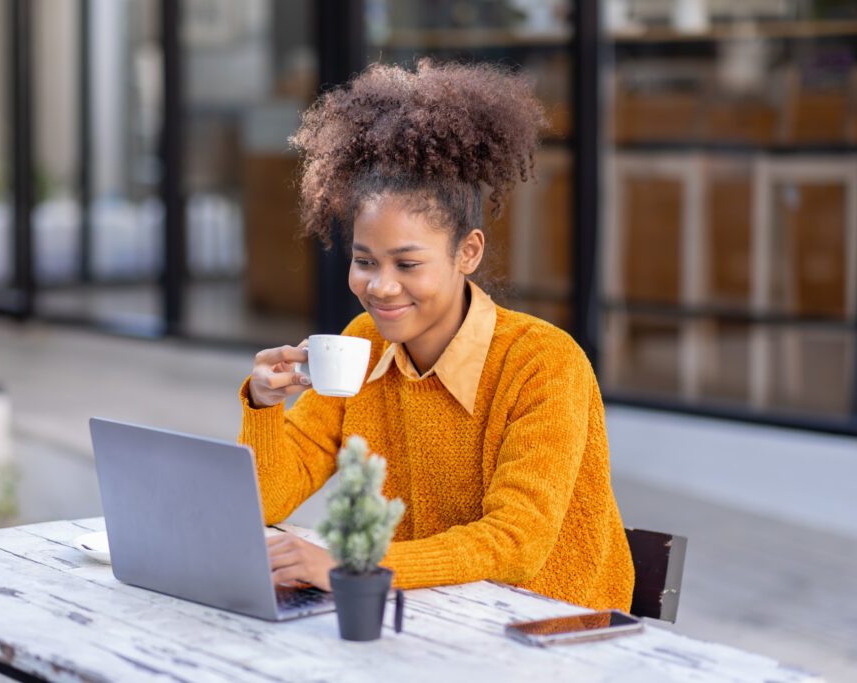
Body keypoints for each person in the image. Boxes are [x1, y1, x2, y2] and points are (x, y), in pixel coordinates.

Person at [239, 59, 634, 611]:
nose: (380, 287)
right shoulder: (364, 347)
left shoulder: (544, 362)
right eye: (364, 261)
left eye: (406, 263)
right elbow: (269, 498)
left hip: (550, 633)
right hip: (423, 618)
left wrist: (356, 569)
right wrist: (263, 406)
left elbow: (515, 543)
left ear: (466, 253)